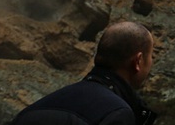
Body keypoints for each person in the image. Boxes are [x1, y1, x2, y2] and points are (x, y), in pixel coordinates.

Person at [11, 21, 158, 125]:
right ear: (138, 61)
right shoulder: (116, 113)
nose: (151, 62)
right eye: (151, 56)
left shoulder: (34, 110)